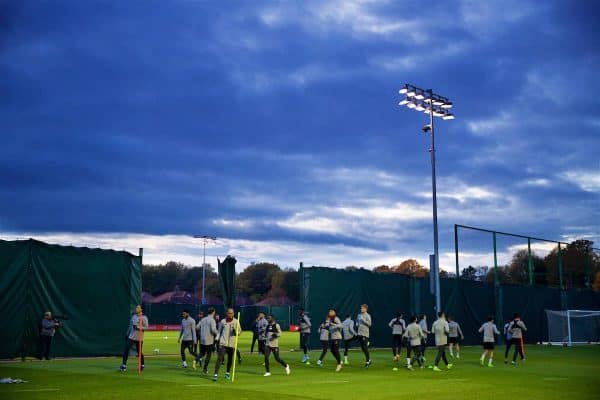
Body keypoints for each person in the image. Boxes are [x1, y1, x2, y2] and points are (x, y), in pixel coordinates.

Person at [213, 308, 242, 381]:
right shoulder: (222, 321)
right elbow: (219, 332)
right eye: (229, 313)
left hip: (232, 344)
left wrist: (236, 332)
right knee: (219, 358)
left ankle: (227, 373)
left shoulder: (236, 321)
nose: (230, 314)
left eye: (231, 313)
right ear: (227, 313)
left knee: (230, 359)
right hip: (223, 343)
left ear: (233, 314)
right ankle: (215, 374)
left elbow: (239, 332)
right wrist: (216, 339)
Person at [119, 304, 148, 372]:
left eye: (138, 308)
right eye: (136, 307)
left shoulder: (144, 318)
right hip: (131, 337)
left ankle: (142, 365)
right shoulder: (134, 316)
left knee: (139, 352)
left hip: (139, 338)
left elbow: (146, 327)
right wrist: (127, 334)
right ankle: (124, 365)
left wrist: (138, 327)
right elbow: (130, 326)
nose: (136, 309)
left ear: (141, 309)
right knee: (126, 349)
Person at [195, 307, 218, 374]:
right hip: (209, 340)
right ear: (213, 312)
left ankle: (196, 359)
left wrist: (202, 332)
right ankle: (205, 369)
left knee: (202, 353)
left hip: (202, 340)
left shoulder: (203, 319)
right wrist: (219, 333)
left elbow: (197, 327)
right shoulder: (212, 320)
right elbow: (213, 330)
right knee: (208, 355)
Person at [356, 304, 372, 368]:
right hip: (359, 333)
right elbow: (357, 321)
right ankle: (369, 359)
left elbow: (370, 324)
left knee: (365, 347)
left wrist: (363, 320)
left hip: (365, 334)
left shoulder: (368, 315)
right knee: (362, 348)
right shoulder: (359, 315)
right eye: (361, 308)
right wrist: (357, 323)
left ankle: (367, 361)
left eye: (362, 308)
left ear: (366, 309)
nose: (361, 309)